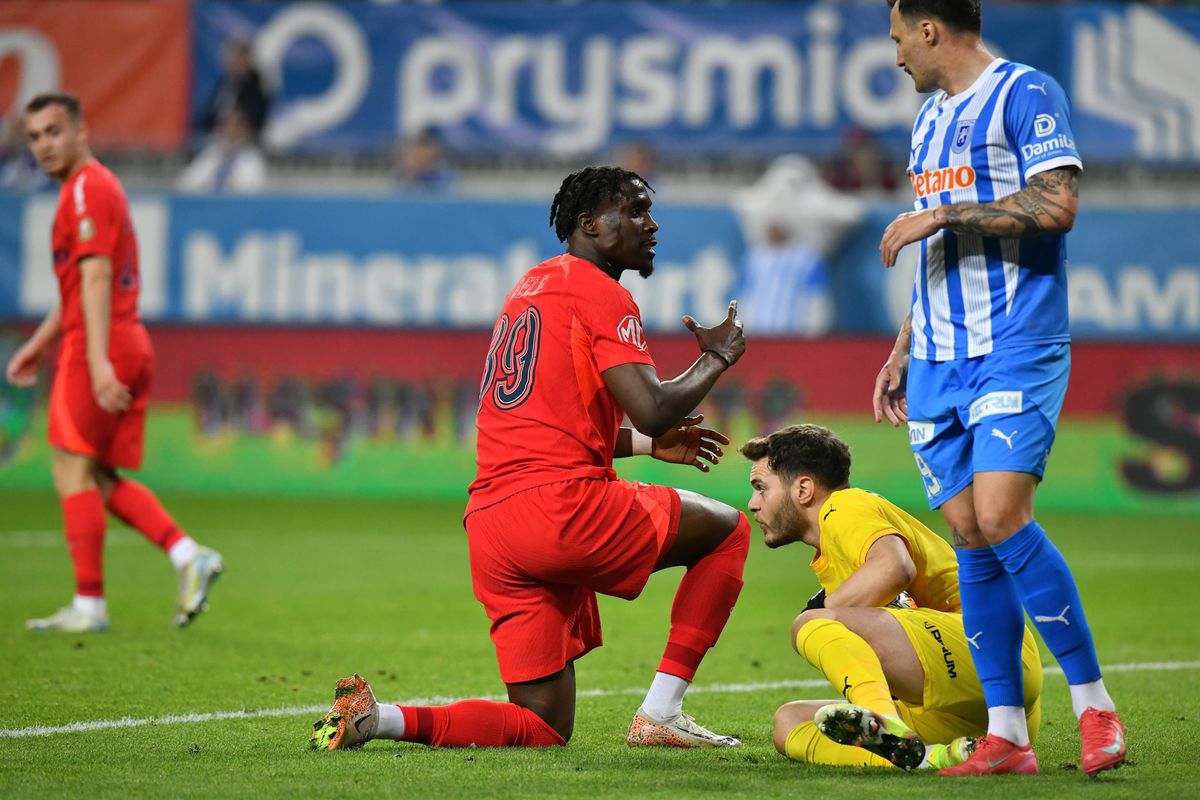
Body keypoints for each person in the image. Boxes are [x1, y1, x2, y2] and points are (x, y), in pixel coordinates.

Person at [311, 165, 750, 752]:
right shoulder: (601, 291)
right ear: (590, 224)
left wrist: (647, 447)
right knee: (728, 533)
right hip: (560, 510)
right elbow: (649, 406)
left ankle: (378, 718)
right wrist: (715, 359)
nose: (652, 225)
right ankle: (662, 712)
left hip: (493, 525)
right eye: (637, 211)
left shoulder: (530, 288)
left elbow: (552, 423)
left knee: (542, 726)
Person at [872, 0, 1124, 777]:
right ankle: (1009, 736)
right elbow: (937, 251)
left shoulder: (1024, 92)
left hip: (1015, 341)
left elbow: (1059, 204)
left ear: (929, 29)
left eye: (897, 41)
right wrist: (905, 344)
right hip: (940, 355)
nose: (895, 59)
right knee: (970, 533)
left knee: (1002, 510)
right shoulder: (926, 122)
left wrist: (939, 213)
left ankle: (1095, 708)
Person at [6, 93, 224, 632]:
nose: (44, 145)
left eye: (54, 131)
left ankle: (89, 605)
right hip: (119, 339)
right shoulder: (86, 189)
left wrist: (98, 361)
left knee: (69, 468)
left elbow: (97, 277)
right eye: (34, 137)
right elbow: (79, 284)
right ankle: (187, 556)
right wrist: (39, 342)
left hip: (103, 344)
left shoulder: (86, 189)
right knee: (98, 475)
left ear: (82, 129)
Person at [741, 424, 1042, 771]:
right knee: (789, 721)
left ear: (804, 489)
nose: (753, 504)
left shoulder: (842, 507)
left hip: (992, 656)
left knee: (811, 624)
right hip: (972, 712)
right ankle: (931, 758)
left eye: (761, 488)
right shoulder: (832, 549)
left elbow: (895, 567)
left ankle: (883, 722)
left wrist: (826, 613)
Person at [177, 109, 267, 194]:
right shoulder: (210, 154)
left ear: (245, 129)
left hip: (237, 206)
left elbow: (255, 192)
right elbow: (186, 184)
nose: (231, 130)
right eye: (226, 125)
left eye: (236, 126)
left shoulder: (253, 159)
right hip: (207, 205)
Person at [199, 38, 271, 142]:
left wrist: (235, 123)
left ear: (247, 60)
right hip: (218, 137)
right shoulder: (224, 82)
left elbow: (257, 116)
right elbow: (209, 113)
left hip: (246, 140)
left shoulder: (258, 85)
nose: (234, 63)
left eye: (238, 59)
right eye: (231, 59)